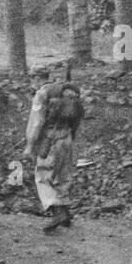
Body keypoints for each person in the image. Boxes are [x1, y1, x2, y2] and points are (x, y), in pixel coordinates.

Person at [24, 63, 84, 232]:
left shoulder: (42, 94)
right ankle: (65, 212)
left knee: (43, 176)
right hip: (67, 138)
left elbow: (36, 122)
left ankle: (57, 211)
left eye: (32, 79)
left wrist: (30, 145)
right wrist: (72, 136)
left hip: (50, 141)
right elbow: (76, 118)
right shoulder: (66, 91)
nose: (31, 83)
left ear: (37, 78)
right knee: (63, 175)